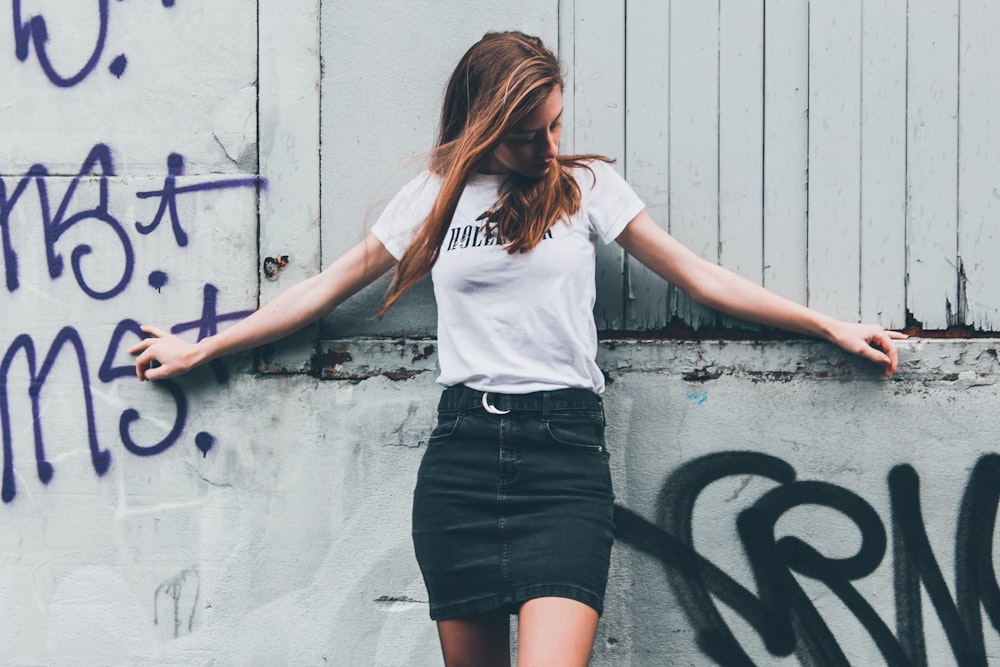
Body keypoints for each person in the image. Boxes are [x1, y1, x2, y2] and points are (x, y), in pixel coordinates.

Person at [131, 31, 905, 667]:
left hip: (563, 461)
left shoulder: (587, 187)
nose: (548, 146)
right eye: (527, 134)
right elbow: (324, 289)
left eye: (555, 127)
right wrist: (205, 346)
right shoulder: (435, 197)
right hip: (461, 460)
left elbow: (700, 278)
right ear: (482, 125)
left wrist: (828, 325)